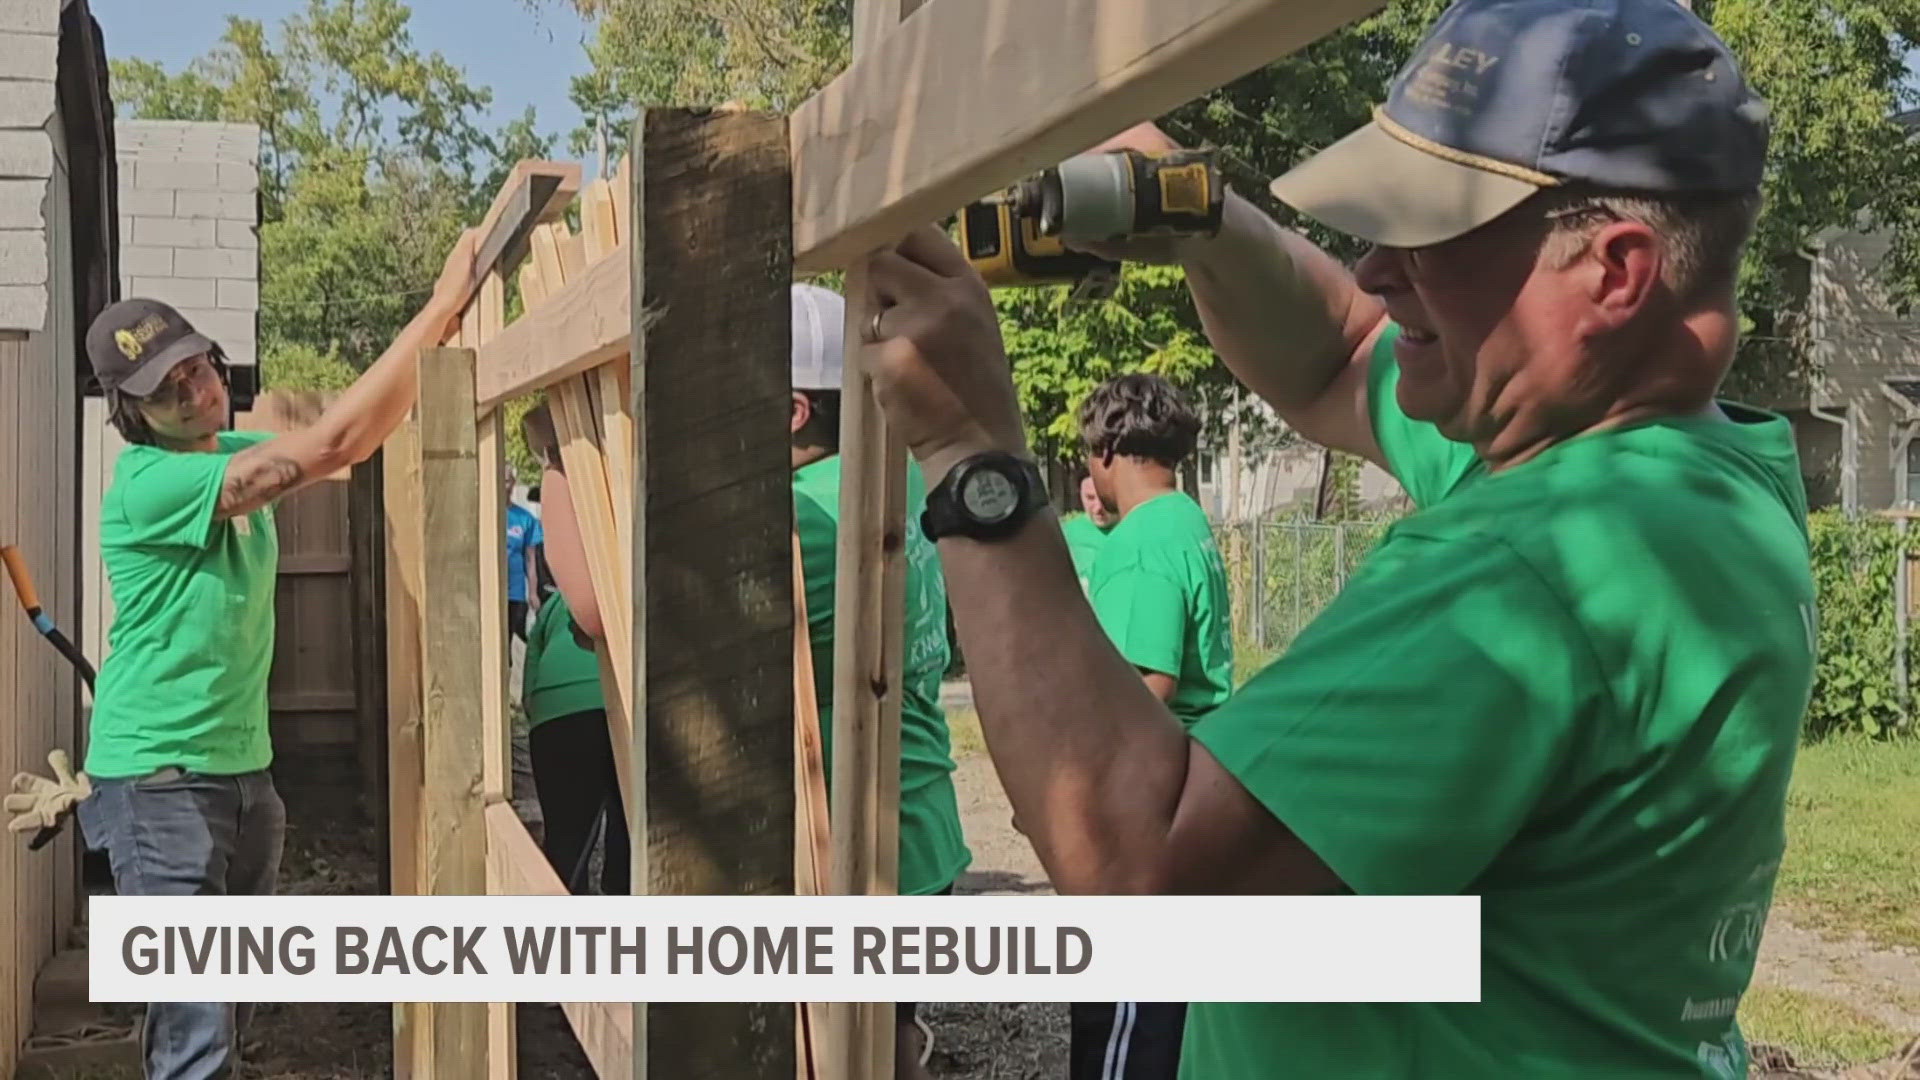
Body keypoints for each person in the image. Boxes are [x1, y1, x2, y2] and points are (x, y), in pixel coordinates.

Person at [850, 0, 1813, 1075]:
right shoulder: (1692, 475)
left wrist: (973, 455)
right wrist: (1204, 219)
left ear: (1614, 273)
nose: (1375, 269)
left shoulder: (1533, 571)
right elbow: (1342, 354)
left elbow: (1140, 871)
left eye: (1427, 229)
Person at [71, 234, 477, 1079]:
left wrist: (444, 330)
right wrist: (438, 307)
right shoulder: (150, 484)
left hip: (241, 775)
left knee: (224, 1005)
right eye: (166, 391)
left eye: (197, 368)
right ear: (130, 413)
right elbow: (330, 448)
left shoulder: (219, 452)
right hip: (158, 782)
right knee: (198, 1029)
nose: (195, 392)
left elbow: (350, 435)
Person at [791, 282, 969, 1077]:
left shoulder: (791, 516)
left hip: (847, 844)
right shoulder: (901, 486)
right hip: (925, 827)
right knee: (886, 1034)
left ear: (796, 411)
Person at [1067, 373, 1233, 1080]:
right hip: (1197, 781)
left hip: (1151, 809)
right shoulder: (1187, 520)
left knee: (1126, 1024)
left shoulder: (1140, 541)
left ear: (1105, 453)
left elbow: (1145, 687)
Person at [519, 580, 627, 895]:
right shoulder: (625, 588)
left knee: (567, 841)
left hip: (555, 714)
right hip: (619, 708)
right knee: (629, 829)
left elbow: (528, 694)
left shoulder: (554, 605)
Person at [505, 468, 544, 641]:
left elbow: (530, 559)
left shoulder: (525, 519)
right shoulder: (486, 514)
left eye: (507, 480)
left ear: (513, 483)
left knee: (511, 638)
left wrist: (533, 593)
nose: (504, 485)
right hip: (491, 590)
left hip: (515, 591)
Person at [1059, 472, 1114, 593]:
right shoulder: (1063, 535)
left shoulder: (1134, 531)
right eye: (1090, 498)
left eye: (1104, 499)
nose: (1098, 507)